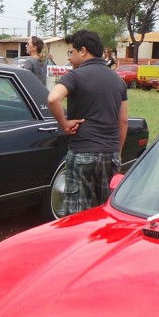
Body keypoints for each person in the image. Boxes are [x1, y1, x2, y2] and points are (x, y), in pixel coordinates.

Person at [47, 29, 128, 216]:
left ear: (83, 51)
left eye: (70, 53)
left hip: (83, 152)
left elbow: (53, 98)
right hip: (111, 154)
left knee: (78, 215)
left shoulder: (74, 76)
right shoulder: (117, 80)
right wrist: (117, 153)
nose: (70, 58)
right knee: (108, 212)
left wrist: (65, 123)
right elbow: (123, 120)